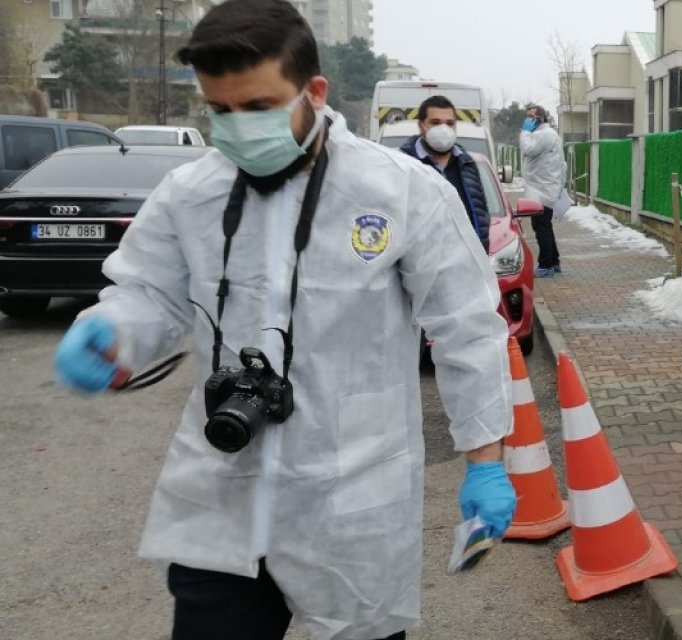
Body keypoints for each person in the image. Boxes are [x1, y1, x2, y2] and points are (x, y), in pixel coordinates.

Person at [49, 1, 517, 638]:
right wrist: (110, 333)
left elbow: (468, 328)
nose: (239, 128)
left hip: (351, 502)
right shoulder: (191, 193)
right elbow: (147, 293)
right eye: (221, 111)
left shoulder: (400, 192)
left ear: (314, 91)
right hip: (223, 493)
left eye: (259, 107)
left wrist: (485, 459)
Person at [400, 95, 490, 253]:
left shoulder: (467, 164)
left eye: (449, 124)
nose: (443, 129)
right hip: (420, 266)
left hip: (465, 264)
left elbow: (480, 213)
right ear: (421, 126)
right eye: (435, 123)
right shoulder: (403, 165)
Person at [519, 104, 565, 278]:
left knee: (541, 228)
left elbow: (528, 149)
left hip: (541, 190)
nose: (528, 121)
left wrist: (524, 132)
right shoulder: (549, 134)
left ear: (541, 118)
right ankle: (554, 262)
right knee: (546, 226)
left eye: (532, 117)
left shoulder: (543, 134)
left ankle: (546, 264)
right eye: (527, 117)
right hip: (545, 187)